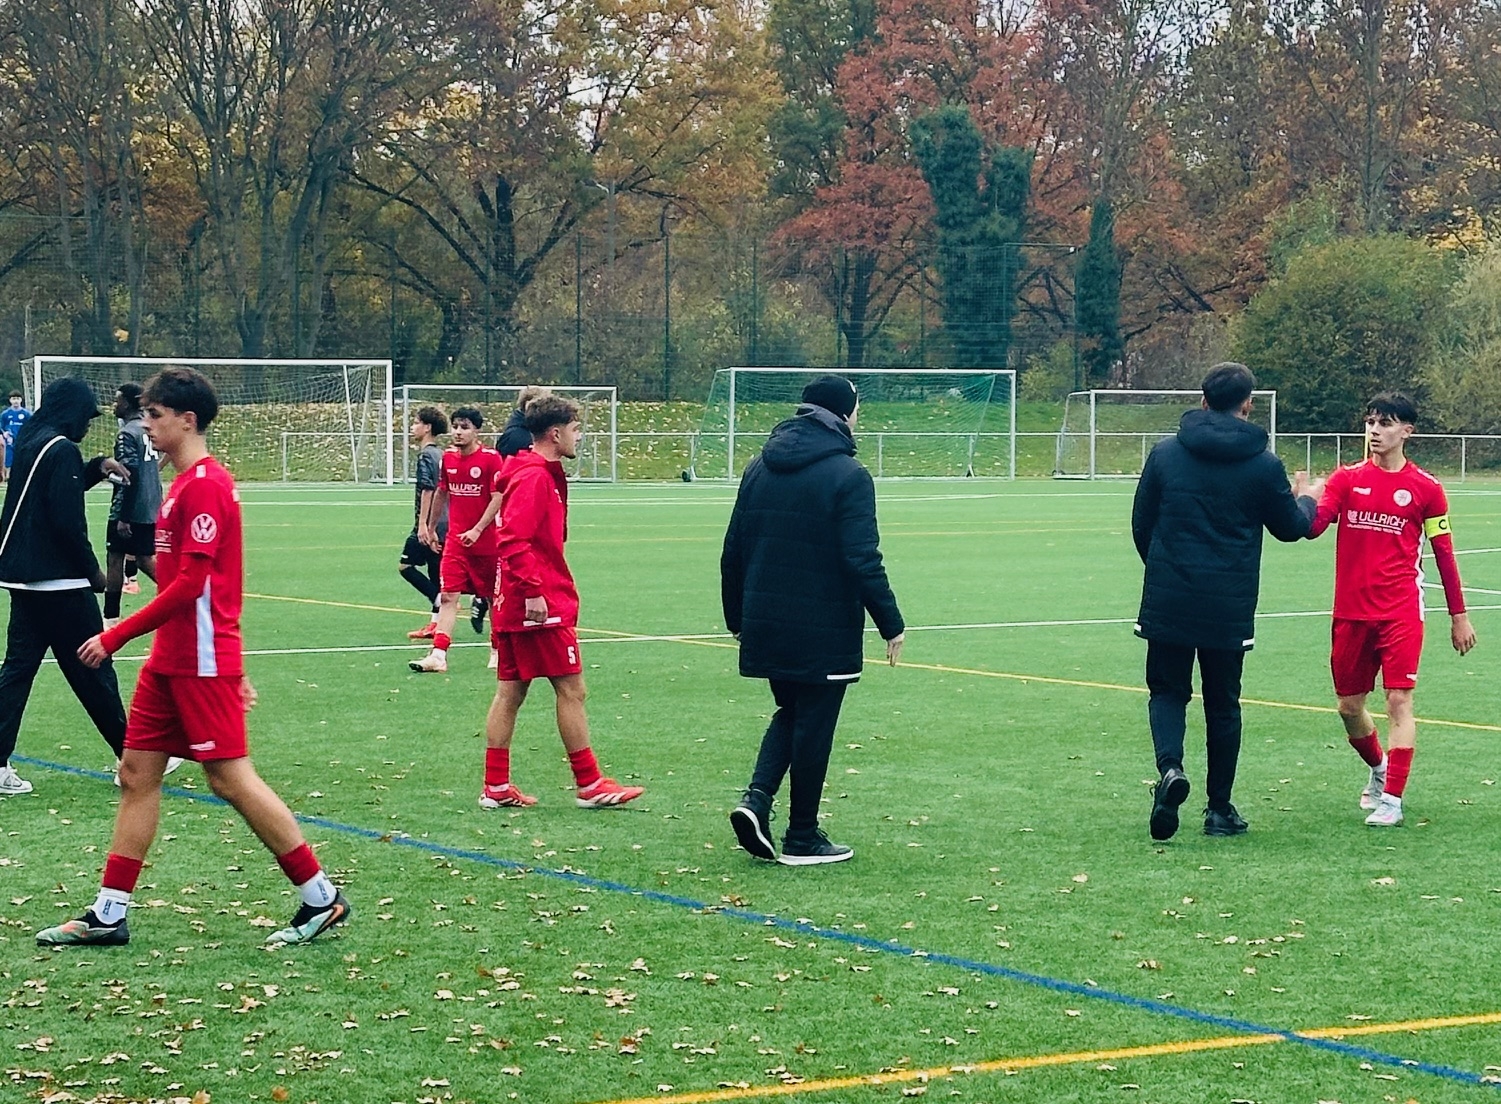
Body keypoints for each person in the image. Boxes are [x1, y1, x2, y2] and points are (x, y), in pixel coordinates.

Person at [38, 368, 351, 947]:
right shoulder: (181, 484)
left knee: (229, 779)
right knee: (136, 774)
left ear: (187, 420)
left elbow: (191, 586)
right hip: (173, 658)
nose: (146, 425)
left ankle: (320, 896)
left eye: (155, 415)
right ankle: (109, 912)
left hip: (202, 659)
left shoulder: (206, 485)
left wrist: (115, 635)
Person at [1132, 362, 1321, 841]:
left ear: (1203, 400)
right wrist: (1307, 498)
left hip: (1170, 596)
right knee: (1223, 703)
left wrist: (1164, 570)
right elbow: (1292, 528)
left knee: (1167, 691)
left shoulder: (1165, 454)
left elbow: (1141, 523)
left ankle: (1171, 769)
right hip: (1228, 603)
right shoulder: (1263, 465)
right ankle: (1219, 810)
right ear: (1248, 405)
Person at [721, 375, 905, 866]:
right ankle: (802, 834)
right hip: (824, 626)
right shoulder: (849, 474)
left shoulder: (758, 466)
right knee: (815, 723)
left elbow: (733, 548)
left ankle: (756, 800)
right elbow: (862, 558)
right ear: (844, 413)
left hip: (766, 620)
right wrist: (890, 622)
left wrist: (738, 616)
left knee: (793, 711)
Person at [1306, 392, 1476, 828]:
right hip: (1350, 613)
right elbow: (1314, 527)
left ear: (1406, 431)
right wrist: (1302, 501)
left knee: (1399, 700)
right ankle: (1380, 768)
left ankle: (1393, 801)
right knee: (1349, 707)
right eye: (1371, 422)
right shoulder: (1346, 480)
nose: (1375, 431)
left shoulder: (1426, 488)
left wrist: (1458, 616)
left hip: (1401, 611)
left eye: (1385, 423)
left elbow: (1444, 554)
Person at [478, 394, 644, 810]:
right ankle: (589, 784)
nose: (579, 436)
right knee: (572, 689)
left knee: (510, 692)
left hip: (514, 601)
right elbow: (513, 539)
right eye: (575, 429)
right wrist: (534, 591)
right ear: (555, 433)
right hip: (536, 603)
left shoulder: (530, 471)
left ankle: (495, 785)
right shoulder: (534, 477)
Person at [0, 378, 131, 796]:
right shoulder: (60, 449)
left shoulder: (32, 441)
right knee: (94, 669)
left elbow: (51, 490)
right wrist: (95, 573)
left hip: (25, 579)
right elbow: (66, 521)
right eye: (85, 418)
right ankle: (132, 759)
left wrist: (95, 468)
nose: (87, 426)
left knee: (17, 672)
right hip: (61, 583)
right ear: (70, 412)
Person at [409, 407, 504, 673]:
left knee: (492, 597)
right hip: (456, 542)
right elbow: (442, 492)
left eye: (465, 427)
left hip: (487, 543)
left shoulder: (490, 459)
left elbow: (498, 496)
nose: (458, 432)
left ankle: (497, 650)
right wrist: (430, 527)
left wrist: (478, 529)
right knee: (449, 595)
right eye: (455, 427)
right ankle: (438, 655)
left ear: (476, 431)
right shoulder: (448, 458)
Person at [103, 383, 161, 629]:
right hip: (150, 503)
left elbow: (130, 474)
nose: (115, 404)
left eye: (118, 400)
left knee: (115, 559)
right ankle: (184, 598)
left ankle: (110, 620)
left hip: (130, 506)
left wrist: (124, 515)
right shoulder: (148, 428)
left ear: (127, 403)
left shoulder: (127, 433)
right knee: (145, 558)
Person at [400, 406, 449, 640]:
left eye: (416, 422)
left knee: (405, 566)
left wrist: (423, 526)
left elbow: (428, 489)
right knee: (435, 572)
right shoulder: (441, 454)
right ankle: (436, 624)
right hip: (444, 522)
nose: (413, 427)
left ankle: (440, 599)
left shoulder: (427, 455)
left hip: (432, 523)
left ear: (427, 427)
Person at [2, 390, 31, 482]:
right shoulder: (5, 414)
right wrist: (4, 433)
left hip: (22, 439)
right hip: (9, 440)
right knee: (9, 457)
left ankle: (21, 475)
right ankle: (8, 476)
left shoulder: (26, 414)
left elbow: (31, 426)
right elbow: (1, 426)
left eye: (17, 399)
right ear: (10, 400)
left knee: (22, 456)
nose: (15, 401)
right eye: (13, 399)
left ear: (21, 400)